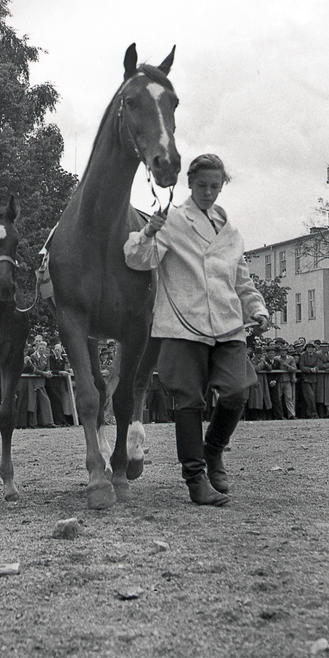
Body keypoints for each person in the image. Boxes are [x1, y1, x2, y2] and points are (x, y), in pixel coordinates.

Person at [124, 153, 270, 507]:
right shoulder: (173, 221)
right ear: (190, 183)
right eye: (202, 185)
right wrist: (148, 232)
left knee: (237, 390)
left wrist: (257, 308)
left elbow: (241, 280)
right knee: (189, 400)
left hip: (227, 324)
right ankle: (196, 479)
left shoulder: (229, 230)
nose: (208, 192)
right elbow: (136, 258)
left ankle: (213, 449)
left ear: (222, 187)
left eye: (215, 186)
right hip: (183, 326)